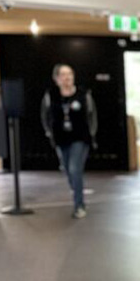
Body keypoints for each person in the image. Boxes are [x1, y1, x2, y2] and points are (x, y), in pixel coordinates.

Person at [40, 64, 97, 219]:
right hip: (61, 139)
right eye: (63, 75)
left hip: (80, 138)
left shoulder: (83, 94)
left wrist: (91, 134)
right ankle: (77, 191)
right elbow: (45, 116)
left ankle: (79, 205)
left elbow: (92, 115)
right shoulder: (50, 96)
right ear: (57, 79)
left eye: (70, 74)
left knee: (74, 169)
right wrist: (49, 132)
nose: (67, 78)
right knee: (67, 169)